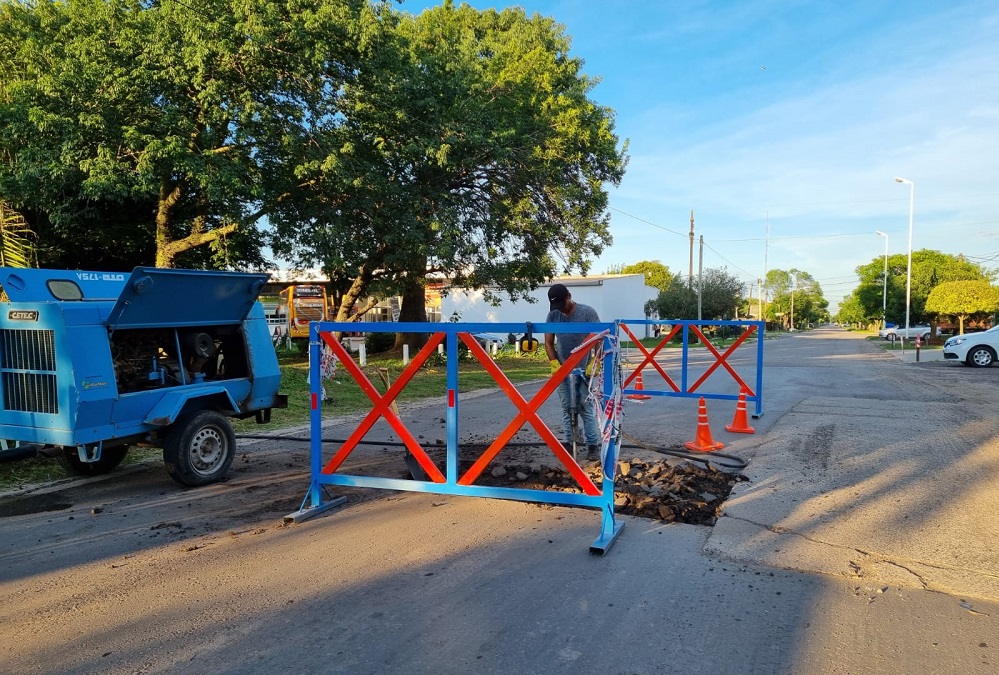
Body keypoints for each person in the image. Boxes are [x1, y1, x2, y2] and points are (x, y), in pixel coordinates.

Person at [544, 283, 601, 462]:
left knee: (585, 408)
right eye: (556, 306)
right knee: (567, 407)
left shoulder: (587, 313)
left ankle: (592, 445)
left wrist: (595, 361)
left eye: (562, 304)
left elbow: (599, 338)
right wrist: (554, 362)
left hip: (584, 370)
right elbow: (548, 342)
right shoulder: (553, 315)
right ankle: (570, 442)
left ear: (569, 296)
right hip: (562, 370)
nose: (560, 309)